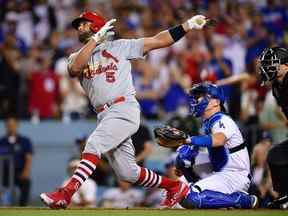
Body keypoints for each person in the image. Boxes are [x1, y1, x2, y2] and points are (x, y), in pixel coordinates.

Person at [40, 11, 210, 209]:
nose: (79, 27)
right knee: (127, 173)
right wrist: (95, 40)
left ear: (96, 25)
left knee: (93, 144)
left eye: (83, 23)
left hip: (123, 107)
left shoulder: (120, 46)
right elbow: (75, 69)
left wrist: (187, 25)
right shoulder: (76, 56)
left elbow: (158, 41)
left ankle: (66, 193)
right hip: (104, 114)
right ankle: (174, 187)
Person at [174, 83, 258, 209]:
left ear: (215, 102)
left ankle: (242, 200)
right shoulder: (208, 122)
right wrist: (184, 164)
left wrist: (189, 140)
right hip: (220, 170)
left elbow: (219, 140)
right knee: (184, 155)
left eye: (200, 96)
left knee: (189, 198)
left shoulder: (222, 120)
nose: (196, 100)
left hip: (234, 176)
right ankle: (207, 193)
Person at [258, 47, 288, 208]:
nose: (267, 67)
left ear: (286, 66)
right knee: (275, 156)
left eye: (272, 64)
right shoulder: (277, 87)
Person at [0, 117, 33, 206]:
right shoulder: (1, 141)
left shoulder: (24, 141)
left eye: (13, 125)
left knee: (26, 182)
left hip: (20, 172)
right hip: (4, 173)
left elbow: (28, 157)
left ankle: (23, 207)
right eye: (8, 125)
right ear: (5, 126)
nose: (11, 127)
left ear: (17, 125)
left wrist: (26, 171)